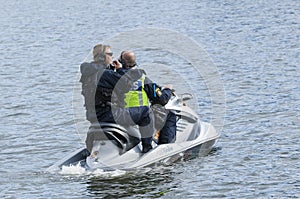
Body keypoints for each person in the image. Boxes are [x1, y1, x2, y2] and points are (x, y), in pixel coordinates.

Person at [114, 51, 176, 152]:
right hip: (138, 116)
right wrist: (168, 90)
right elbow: (162, 99)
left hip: (118, 115)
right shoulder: (141, 78)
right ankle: (165, 148)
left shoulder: (112, 77)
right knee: (169, 115)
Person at [79, 44, 114, 124]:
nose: (113, 57)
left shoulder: (87, 73)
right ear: (102, 57)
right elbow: (125, 85)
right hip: (109, 114)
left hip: (92, 116)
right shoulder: (106, 73)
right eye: (110, 54)